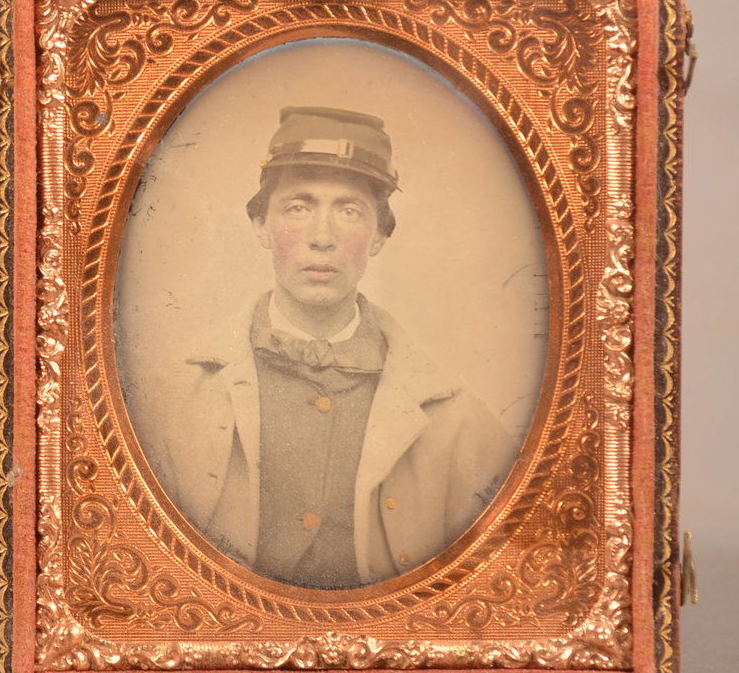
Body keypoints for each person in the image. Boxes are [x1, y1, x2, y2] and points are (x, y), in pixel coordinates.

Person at [138, 106, 518, 589]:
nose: (322, 238)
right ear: (261, 226)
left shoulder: (455, 421)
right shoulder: (168, 399)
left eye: (349, 211)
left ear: (380, 234)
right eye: (299, 206)